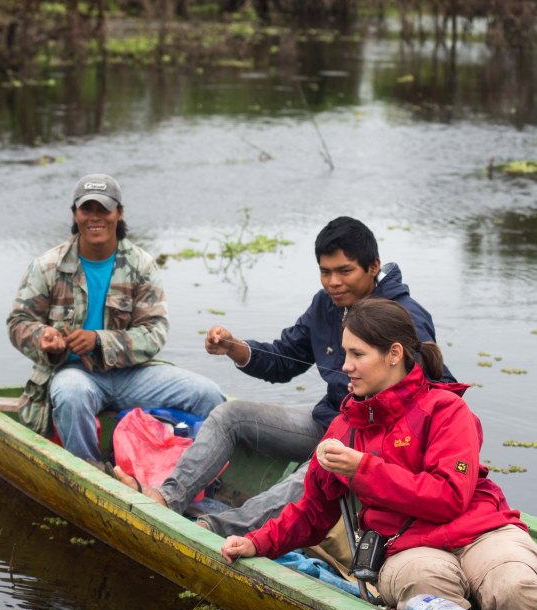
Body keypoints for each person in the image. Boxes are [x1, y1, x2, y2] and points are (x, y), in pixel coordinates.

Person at [220, 298, 537, 610]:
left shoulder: (447, 410)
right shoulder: (343, 431)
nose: (345, 366)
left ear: (394, 354)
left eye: (357, 354)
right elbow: (313, 511)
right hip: (407, 547)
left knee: (516, 584)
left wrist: (365, 469)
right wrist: (258, 541)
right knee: (429, 590)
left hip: (481, 531)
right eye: (344, 353)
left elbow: (450, 498)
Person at [115, 216, 453, 537]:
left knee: (323, 462)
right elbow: (285, 358)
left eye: (344, 271)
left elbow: (436, 397)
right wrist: (236, 348)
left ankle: (217, 530)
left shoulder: (404, 317)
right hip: (331, 421)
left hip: (377, 443)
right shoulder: (327, 305)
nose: (333, 282)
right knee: (231, 416)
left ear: (373, 267)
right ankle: (167, 498)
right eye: (325, 272)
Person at [7, 172, 225, 464]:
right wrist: (43, 338)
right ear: (75, 214)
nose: (95, 218)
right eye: (87, 209)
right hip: (74, 374)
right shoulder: (48, 266)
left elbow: (155, 331)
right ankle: (91, 474)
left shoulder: (141, 265)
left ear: (118, 213)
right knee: (70, 394)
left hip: (132, 374)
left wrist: (99, 340)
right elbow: (19, 321)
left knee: (208, 394)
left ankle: (200, 473)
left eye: (103, 209)